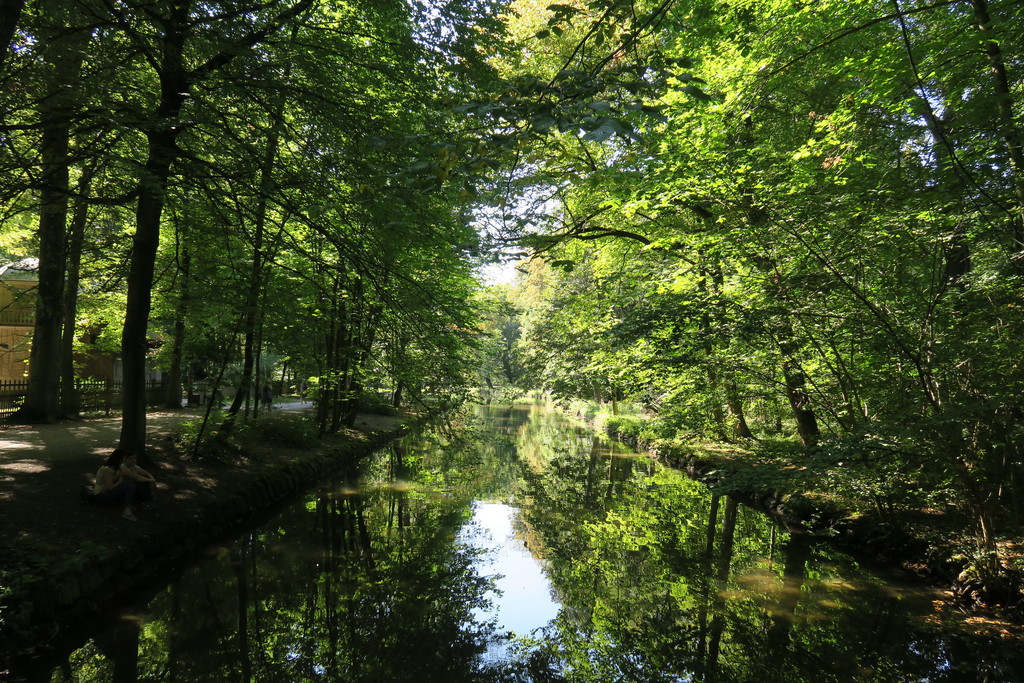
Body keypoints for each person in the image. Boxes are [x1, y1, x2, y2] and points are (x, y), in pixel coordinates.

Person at [92, 449, 147, 522]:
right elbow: (110, 488)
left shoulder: (117, 468)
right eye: (123, 459)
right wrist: (119, 481)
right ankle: (127, 511)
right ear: (118, 459)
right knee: (129, 484)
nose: (124, 461)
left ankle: (130, 503)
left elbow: (135, 475)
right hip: (100, 495)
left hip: (106, 491)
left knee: (130, 482)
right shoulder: (106, 469)